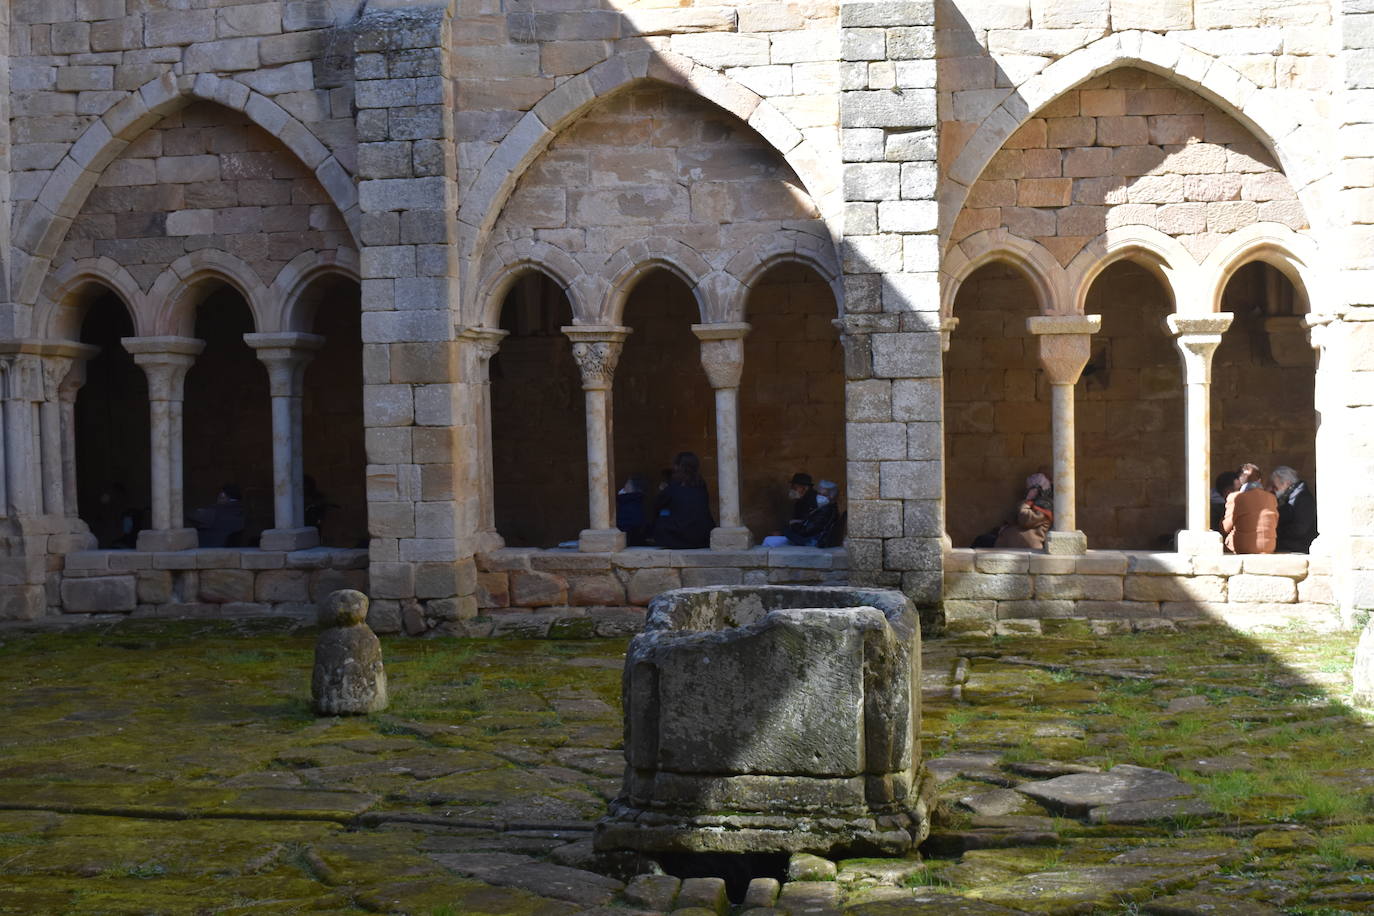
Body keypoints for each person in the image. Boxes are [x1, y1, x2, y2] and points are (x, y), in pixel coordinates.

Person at [649, 452, 714, 549]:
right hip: (702, 538)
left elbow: (657, 505)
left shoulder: (674, 486)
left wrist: (662, 491)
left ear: (678, 467)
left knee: (662, 516)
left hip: (680, 539)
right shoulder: (701, 485)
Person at [764, 479, 841, 547]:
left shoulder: (826, 510)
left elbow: (807, 531)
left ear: (832, 496)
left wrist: (791, 527)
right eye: (819, 493)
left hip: (811, 541)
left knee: (769, 541)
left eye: (824, 495)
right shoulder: (826, 508)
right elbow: (812, 523)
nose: (819, 496)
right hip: (810, 538)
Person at [1222, 463, 1277, 554]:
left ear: (1239, 481)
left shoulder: (1235, 497)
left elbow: (1226, 527)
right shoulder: (1271, 497)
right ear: (1259, 480)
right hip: (1269, 546)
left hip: (1244, 547)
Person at [993, 473, 1054, 549]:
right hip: (1010, 545)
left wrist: (1027, 502)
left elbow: (1025, 519)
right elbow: (1011, 518)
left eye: (1032, 488)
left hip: (1027, 549)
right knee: (982, 539)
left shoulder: (1045, 505)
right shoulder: (1030, 502)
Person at [1271, 465, 1318, 553]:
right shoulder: (1291, 497)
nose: (1275, 490)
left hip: (1301, 545)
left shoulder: (1303, 498)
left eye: (1276, 487)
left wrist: (1277, 531)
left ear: (1286, 483)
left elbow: (1300, 529)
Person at [191, 483, 247, 548]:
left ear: (223, 496)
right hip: (230, 551)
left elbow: (192, 516)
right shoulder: (242, 511)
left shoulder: (214, 512)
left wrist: (201, 511)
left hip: (209, 551)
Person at [616, 475, 650, 547]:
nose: (623, 488)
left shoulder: (629, 505)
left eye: (627, 485)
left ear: (632, 489)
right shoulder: (635, 503)